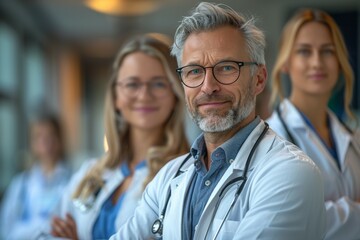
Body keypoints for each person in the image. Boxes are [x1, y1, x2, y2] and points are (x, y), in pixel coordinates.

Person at [110, 2, 326, 239]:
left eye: (226, 68)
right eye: (194, 71)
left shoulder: (290, 173)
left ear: (259, 79)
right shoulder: (169, 177)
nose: (208, 87)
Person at [50, 34, 189, 240]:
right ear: (115, 96)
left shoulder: (185, 176)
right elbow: (50, 232)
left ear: (175, 94)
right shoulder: (90, 173)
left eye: (158, 84)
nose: (144, 95)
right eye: (132, 84)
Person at [267, 8, 360, 240]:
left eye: (327, 51)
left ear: (339, 61)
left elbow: (312, 219)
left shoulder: (352, 137)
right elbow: (288, 224)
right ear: (286, 62)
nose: (317, 62)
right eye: (304, 51)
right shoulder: (270, 140)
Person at [0, 113, 71, 240]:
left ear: (60, 140)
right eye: (39, 137)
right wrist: (46, 226)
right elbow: (7, 230)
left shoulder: (73, 180)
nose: (45, 143)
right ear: (32, 144)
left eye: (50, 136)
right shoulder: (21, 184)